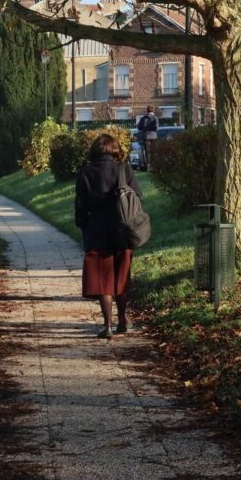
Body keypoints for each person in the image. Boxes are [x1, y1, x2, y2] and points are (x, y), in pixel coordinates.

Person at [75, 134, 143, 339]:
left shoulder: (86, 172)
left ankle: (107, 325)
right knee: (121, 277)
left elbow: (80, 206)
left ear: (95, 150)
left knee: (102, 281)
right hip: (123, 231)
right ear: (115, 150)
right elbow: (137, 196)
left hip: (96, 232)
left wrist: (83, 224)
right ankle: (123, 319)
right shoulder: (124, 169)